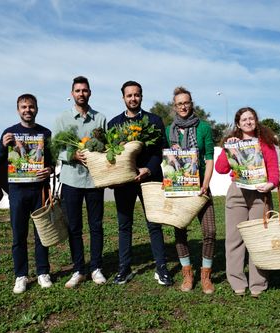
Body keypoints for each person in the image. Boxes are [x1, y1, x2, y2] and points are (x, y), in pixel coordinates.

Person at [108, 80, 173, 286]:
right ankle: (124, 269)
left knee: (154, 224)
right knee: (124, 226)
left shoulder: (153, 120)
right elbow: (112, 154)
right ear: (123, 98)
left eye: (136, 95)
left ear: (141, 96)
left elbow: (161, 150)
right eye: (129, 95)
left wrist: (149, 169)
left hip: (150, 179)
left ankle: (161, 268)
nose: (133, 98)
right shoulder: (114, 124)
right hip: (125, 182)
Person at [215, 107, 280, 298]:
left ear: (256, 121)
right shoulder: (232, 143)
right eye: (244, 119)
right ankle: (237, 281)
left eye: (251, 118)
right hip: (237, 193)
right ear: (238, 124)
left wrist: (271, 184)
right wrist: (228, 148)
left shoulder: (266, 144)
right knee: (234, 239)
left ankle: (258, 283)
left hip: (260, 194)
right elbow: (220, 169)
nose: (248, 122)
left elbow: (274, 171)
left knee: (257, 239)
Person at [0, 93, 53, 294]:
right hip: (17, 191)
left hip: (39, 191)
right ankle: (21, 275)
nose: (28, 110)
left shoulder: (45, 133)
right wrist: (2, 146)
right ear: (18, 110)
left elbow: (52, 161)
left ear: (37, 108)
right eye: (24, 107)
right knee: (19, 235)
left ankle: (43, 272)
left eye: (31, 107)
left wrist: (50, 169)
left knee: (41, 234)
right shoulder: (9, 133)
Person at [55, 76, 107, 288]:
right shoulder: (62, 119)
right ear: (72, 94)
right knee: (74, 227)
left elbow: (106, 147)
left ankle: (96, 268)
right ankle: (78, 269)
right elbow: (55, 148)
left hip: (95, 181)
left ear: (90, 93)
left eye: (85, 90)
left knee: (96, 226)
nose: (81, 94)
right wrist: (73, 155)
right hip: (71, 180)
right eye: (77, 91)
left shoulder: (100, 119)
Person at [166, 87, 216, 293]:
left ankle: (206, 275)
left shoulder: (203, 127)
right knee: (180, 230)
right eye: (179, 103)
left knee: (210, 231)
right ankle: (188, 273)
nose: (183, 106)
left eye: (186, 102)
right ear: (175, 106)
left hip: (201, 186)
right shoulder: (170, 130)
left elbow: (210, 158)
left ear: (191, 103)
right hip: (179, 187)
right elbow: (167, 159)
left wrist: (206, 183)